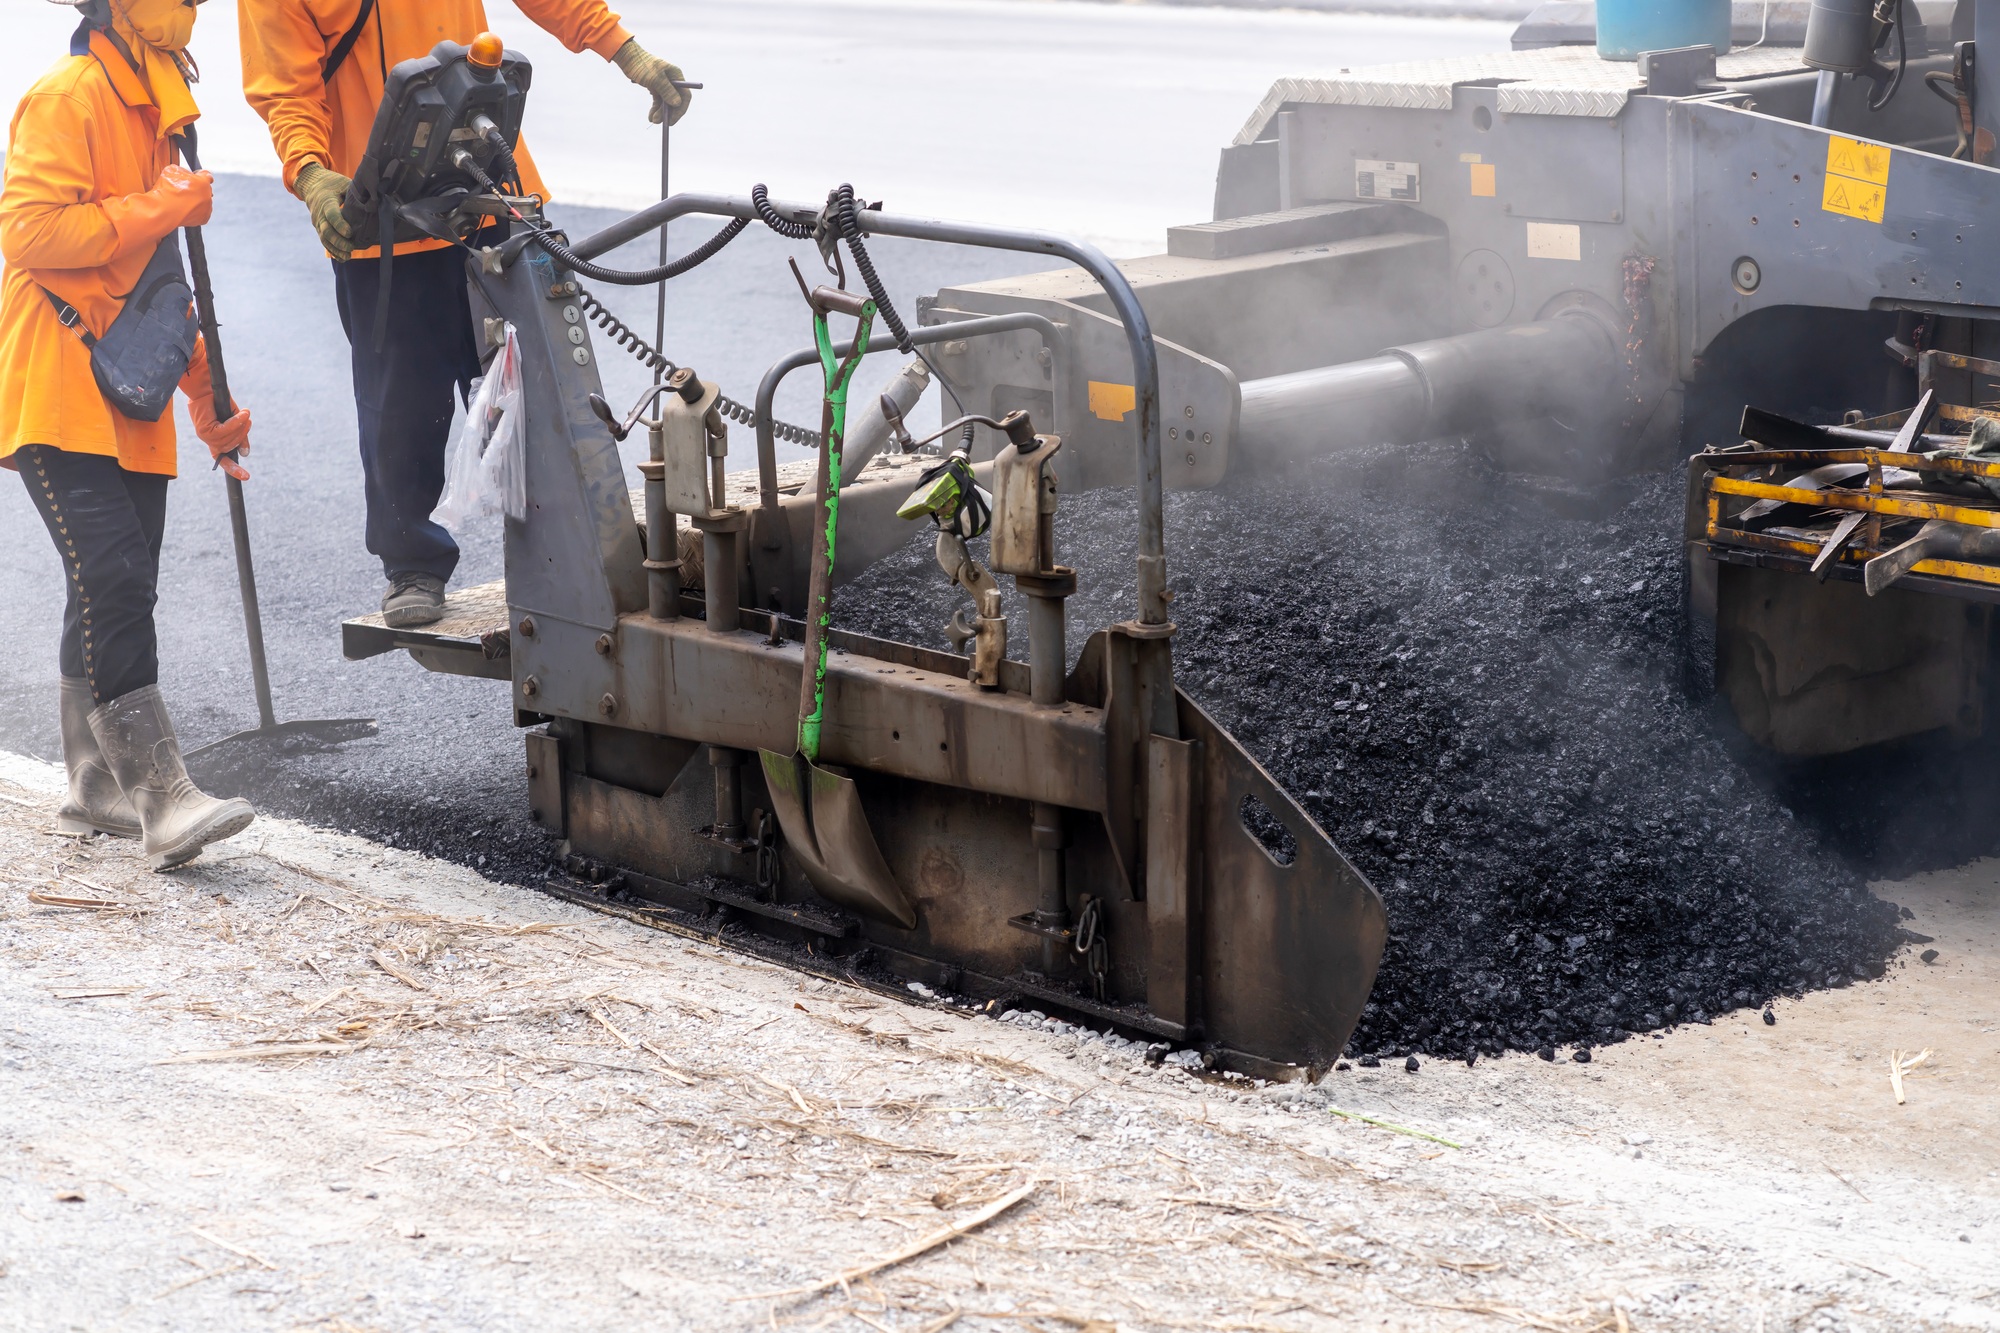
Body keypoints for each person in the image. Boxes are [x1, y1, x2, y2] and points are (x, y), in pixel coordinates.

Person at [238, 0, 692, 627]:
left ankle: (575, 548)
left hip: (489, 196)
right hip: (386, 225)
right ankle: (413, 565)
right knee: (400, 407)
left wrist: (622, 48)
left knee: (540, 389)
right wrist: (312, 173)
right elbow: (286, 89)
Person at [1, 0, 258, 870]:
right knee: (110, 570)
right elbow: (28, 230)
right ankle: (162, 797)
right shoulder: (69, 95)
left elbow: (162, 286)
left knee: (118, 581)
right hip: (54, 382)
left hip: (128, 394)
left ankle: (92, 784)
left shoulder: (160, 117)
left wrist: (209, 402)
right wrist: (159, 205)